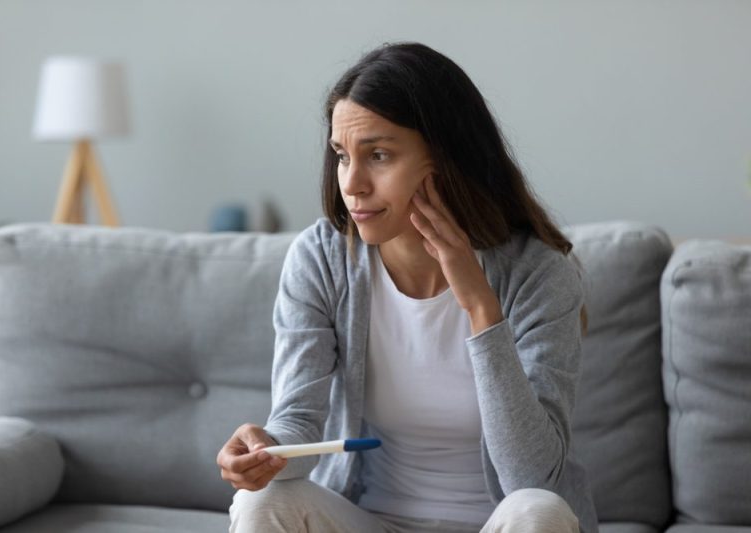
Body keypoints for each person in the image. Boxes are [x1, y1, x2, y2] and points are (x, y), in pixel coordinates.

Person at [217, 42, 598, 533]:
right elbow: (298, 422)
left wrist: (481, 306)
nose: (352, 183)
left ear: (444, 158)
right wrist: (264, 451)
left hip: (498, 525)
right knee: (262, 503)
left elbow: (532, 476)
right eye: (341, 155)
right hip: (369, 520)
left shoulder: (537, 273)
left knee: (537, 511)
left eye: (378, 155)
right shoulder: (323, 259)